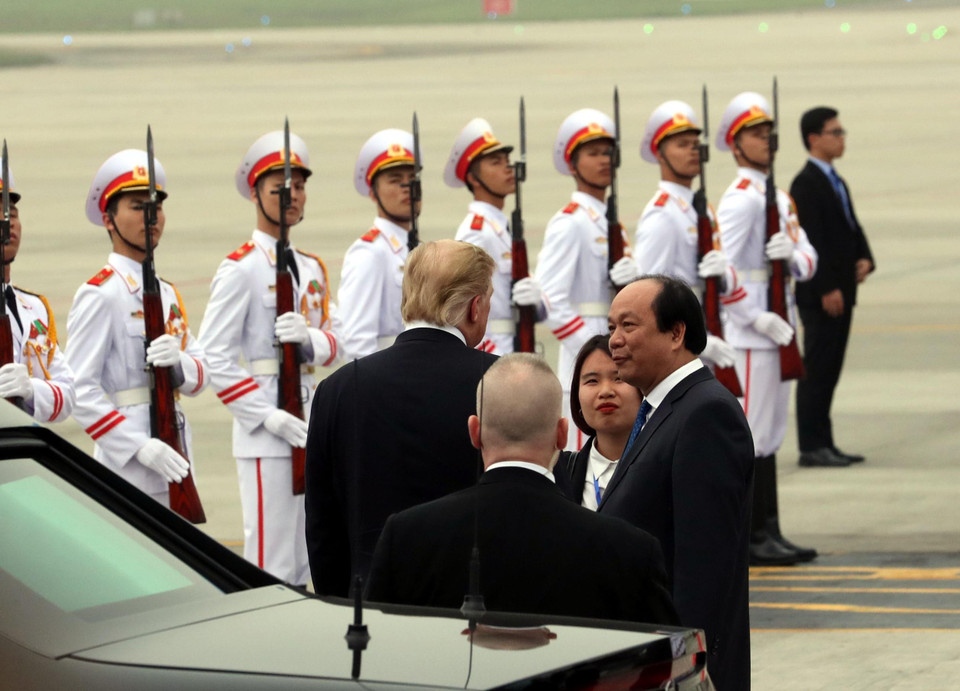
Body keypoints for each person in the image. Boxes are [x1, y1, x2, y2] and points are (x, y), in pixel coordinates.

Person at [366, 353, 678, 626]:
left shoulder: (407, 537)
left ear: (475, 432)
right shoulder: (629, 551)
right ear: (561, 434)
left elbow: (371, 656)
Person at [306, 239, 498, 597]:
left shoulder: (338, 388)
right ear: (475, 307)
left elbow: (323, 525)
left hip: (372, 603)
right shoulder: (500, 381)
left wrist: (342, 605)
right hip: (471, 602)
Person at [198, 130, 339, 585]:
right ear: (256, 192)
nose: (292, 194)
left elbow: (340, 340)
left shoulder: (312, 267)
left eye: (299, 186)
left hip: (311, 420)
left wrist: (312, 342)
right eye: (281, 186)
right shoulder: (241, 268)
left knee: (309, 553)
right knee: (273, 561)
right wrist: (265, 416)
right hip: (266, 435)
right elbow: (214, 356)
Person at [601, 275, 754, 691]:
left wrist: (682, 670)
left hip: (677, 671)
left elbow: (704, 565)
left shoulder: (706, 415)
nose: (614, 340)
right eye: (611, 326)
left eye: (628, 326)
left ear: (676, 333)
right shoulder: (661, 409)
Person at [67, 149, 207, 509]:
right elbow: (80, 389)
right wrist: (137, 446)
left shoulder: (167, 292)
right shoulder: (101, 294)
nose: (152, 216)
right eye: (137, 206)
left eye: (156, 206)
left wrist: (179, 363)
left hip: (176, 448)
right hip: (126, 466)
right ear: (109, 219)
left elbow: (201, 373)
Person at [715, 92, 820, 567]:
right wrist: (752, 316)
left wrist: (791, 257)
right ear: (736, 145)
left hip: (781, 325)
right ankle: (752, 533)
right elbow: (723, 272)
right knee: (753, 434)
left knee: (773, 433)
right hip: (753, 331)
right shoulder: (739, 201)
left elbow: (809, 257)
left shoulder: (776, 195)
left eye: (769, 134)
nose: (768, 142)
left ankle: (770, 527)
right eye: (757, 135)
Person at [536, 108, 639, 450]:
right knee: (585, 457)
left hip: (615, 347)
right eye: (593, 154)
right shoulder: (571, 223)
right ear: (572, 164)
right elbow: (550, 298)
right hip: (586, 358)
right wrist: (591, 348)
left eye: (608, 153)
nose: (603, 161)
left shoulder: (607, 221)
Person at [791, 106, 874, 468]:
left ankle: (825, 441)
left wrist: (865, 256)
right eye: (835, 132)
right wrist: (826, 287)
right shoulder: (805, 183)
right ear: (814, 138)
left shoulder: (834, 180)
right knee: (818, 369)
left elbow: (850, 226)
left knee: (831, 368)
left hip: (842, 291)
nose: (841, 138)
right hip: (823, 296)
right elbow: (811, 240)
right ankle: (812, 445)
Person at [635, 100, 743, 374]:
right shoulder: (662, 214)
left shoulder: (700, 207)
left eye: (695, 145)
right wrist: (696, 342)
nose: (692, 152)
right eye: (681, 145)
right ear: (660, 153)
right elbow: (650, 294)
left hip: (710, 329)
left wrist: (724, 275)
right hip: (682, 348)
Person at [445, 117, 544, 354]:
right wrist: (491, 357)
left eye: (507, 161)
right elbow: (465, 306)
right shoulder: (476, 231)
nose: (507, 168)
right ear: (473, 178)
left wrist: (537, 300)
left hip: (513, 344)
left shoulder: (499, 226)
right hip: (494, 351)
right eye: (495, 162)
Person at [0, 155, 74, 422]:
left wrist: (32, 390)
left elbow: (67, 393)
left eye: (12, 214)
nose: (6, 222)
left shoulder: (34, 309)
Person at [335, 128, 420, 361]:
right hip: (388, 380)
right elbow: (355, 343)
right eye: (395, 181)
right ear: (373, 193)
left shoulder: (420, 250)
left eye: (413, 180)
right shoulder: (370, 253)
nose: (407, 188)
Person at [552, 335, 641, 509]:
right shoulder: (559, 473)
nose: (606, 391)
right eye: (592, 381)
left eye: (619, 378)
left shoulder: (667, 467)